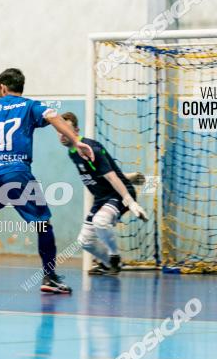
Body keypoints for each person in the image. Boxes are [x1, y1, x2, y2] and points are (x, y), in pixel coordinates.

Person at [0, 68, 94, 294]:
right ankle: (49, 277)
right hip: (17, 174)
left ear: (2, 87)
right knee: (43, 224)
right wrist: (76, 140)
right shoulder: (30, 106)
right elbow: (53, 117)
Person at [57, 112, 148, 275]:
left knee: (100, 221)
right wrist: (126, 176)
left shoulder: (90, 148)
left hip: (117, 194)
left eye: (67, 130)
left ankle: (114, 256)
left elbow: (112, 178)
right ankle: (108, 264)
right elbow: (100, 173)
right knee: (84, 241)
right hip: (101, 197)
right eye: (59, 130)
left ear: (76, 131)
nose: (62, 134)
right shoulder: (72, 152)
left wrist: (131, 202)